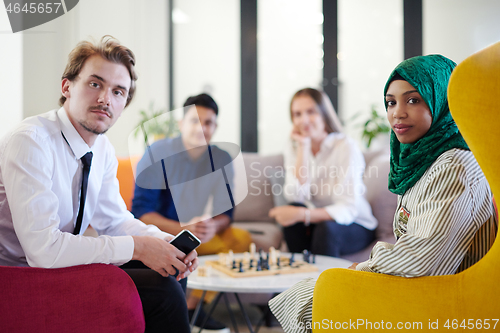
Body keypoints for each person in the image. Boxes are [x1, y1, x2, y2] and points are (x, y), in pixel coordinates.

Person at [268, 55, 498, 333]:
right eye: (391, 102)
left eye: (413, 100)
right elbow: (296, 193)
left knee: (314, 289)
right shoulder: (420, 162)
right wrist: (302, 149)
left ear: (441, 101)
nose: (397, 113)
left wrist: (359, 269)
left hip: (441, 293)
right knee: (306, 274)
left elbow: (419, 258)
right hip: (420, 279)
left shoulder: (452, 166)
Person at [0, 36, 198, 333]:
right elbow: (43, 251)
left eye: (118, 92)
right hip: (17, 275)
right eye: (95, 84)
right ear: (67, 87)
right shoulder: (31, 141)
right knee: (162, 292)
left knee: (168, 271)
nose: (106, 99)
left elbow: (114, 220)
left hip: (56, 266)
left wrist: (162, 243)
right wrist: (138, 248)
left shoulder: (102, 149)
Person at [132, 93, 252, 333]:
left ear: (215, 127)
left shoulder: (221, 157)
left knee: (242, 241)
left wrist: (213, 226)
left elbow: (227, 211)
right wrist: (181, 228)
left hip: (197, 234)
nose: (201, 128)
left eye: (208, 122)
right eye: (195, 120)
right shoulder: (157, 153)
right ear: (181, 124)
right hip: (162, 234)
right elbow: (141, 211)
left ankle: (191, 306)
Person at [268, 88, 377, 257]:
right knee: (294, 216)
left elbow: (348, 208)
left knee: (322, 227)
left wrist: (302, 214)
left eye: (310, 112)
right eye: (297, 114)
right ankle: (300, 276)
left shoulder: (345, 146)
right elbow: (296, 196)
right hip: (318, 223)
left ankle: (323, 282)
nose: (303, 120)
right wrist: (303, 147)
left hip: (355, 224)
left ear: (324, 114)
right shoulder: (294, 146)